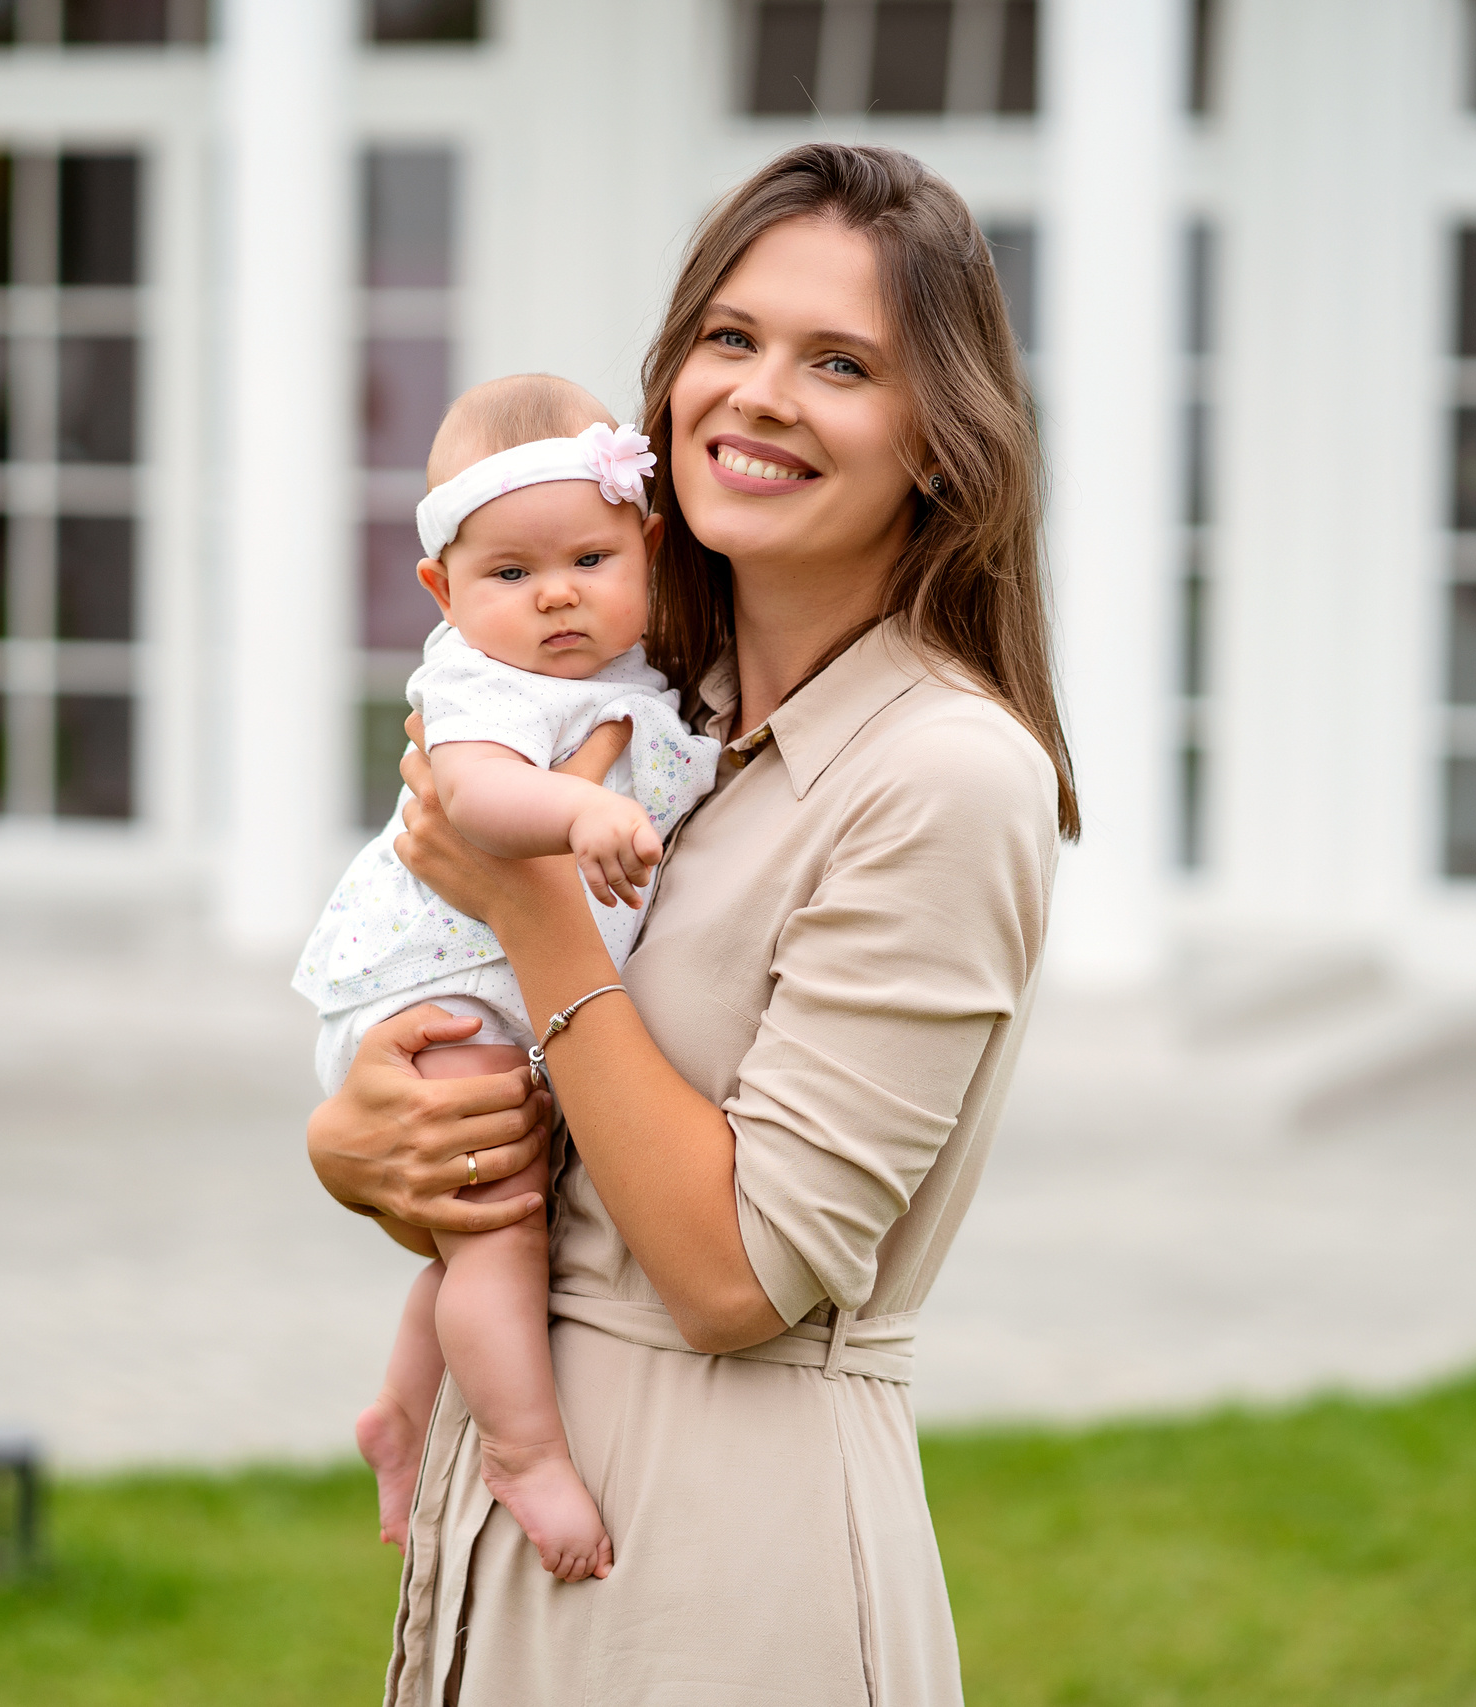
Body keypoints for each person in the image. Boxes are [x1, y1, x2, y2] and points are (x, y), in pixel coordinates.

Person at [307, 142, 1078, 1705]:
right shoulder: (648, 713)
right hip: (512, 1538)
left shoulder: (944, 774)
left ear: (942, 441)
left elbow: (735, 1271)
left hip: (726, 1564)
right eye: (730, 339)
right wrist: (361, 1148)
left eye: (841, 362)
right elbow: (556, 1138)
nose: (760, 394)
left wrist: (530, 910)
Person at [293, 374, 720, 1584]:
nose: (555, 597)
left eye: (589, 558)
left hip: (495, 979)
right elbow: (472, 801)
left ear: (646, 546)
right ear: (442, 592)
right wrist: (580, 807)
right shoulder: (481, 685)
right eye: (510, 576)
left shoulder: (630, 675)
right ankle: (523, 1452)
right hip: (437, 983)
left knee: (466, 1237)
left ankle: (402, 1401)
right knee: (500, 1233)